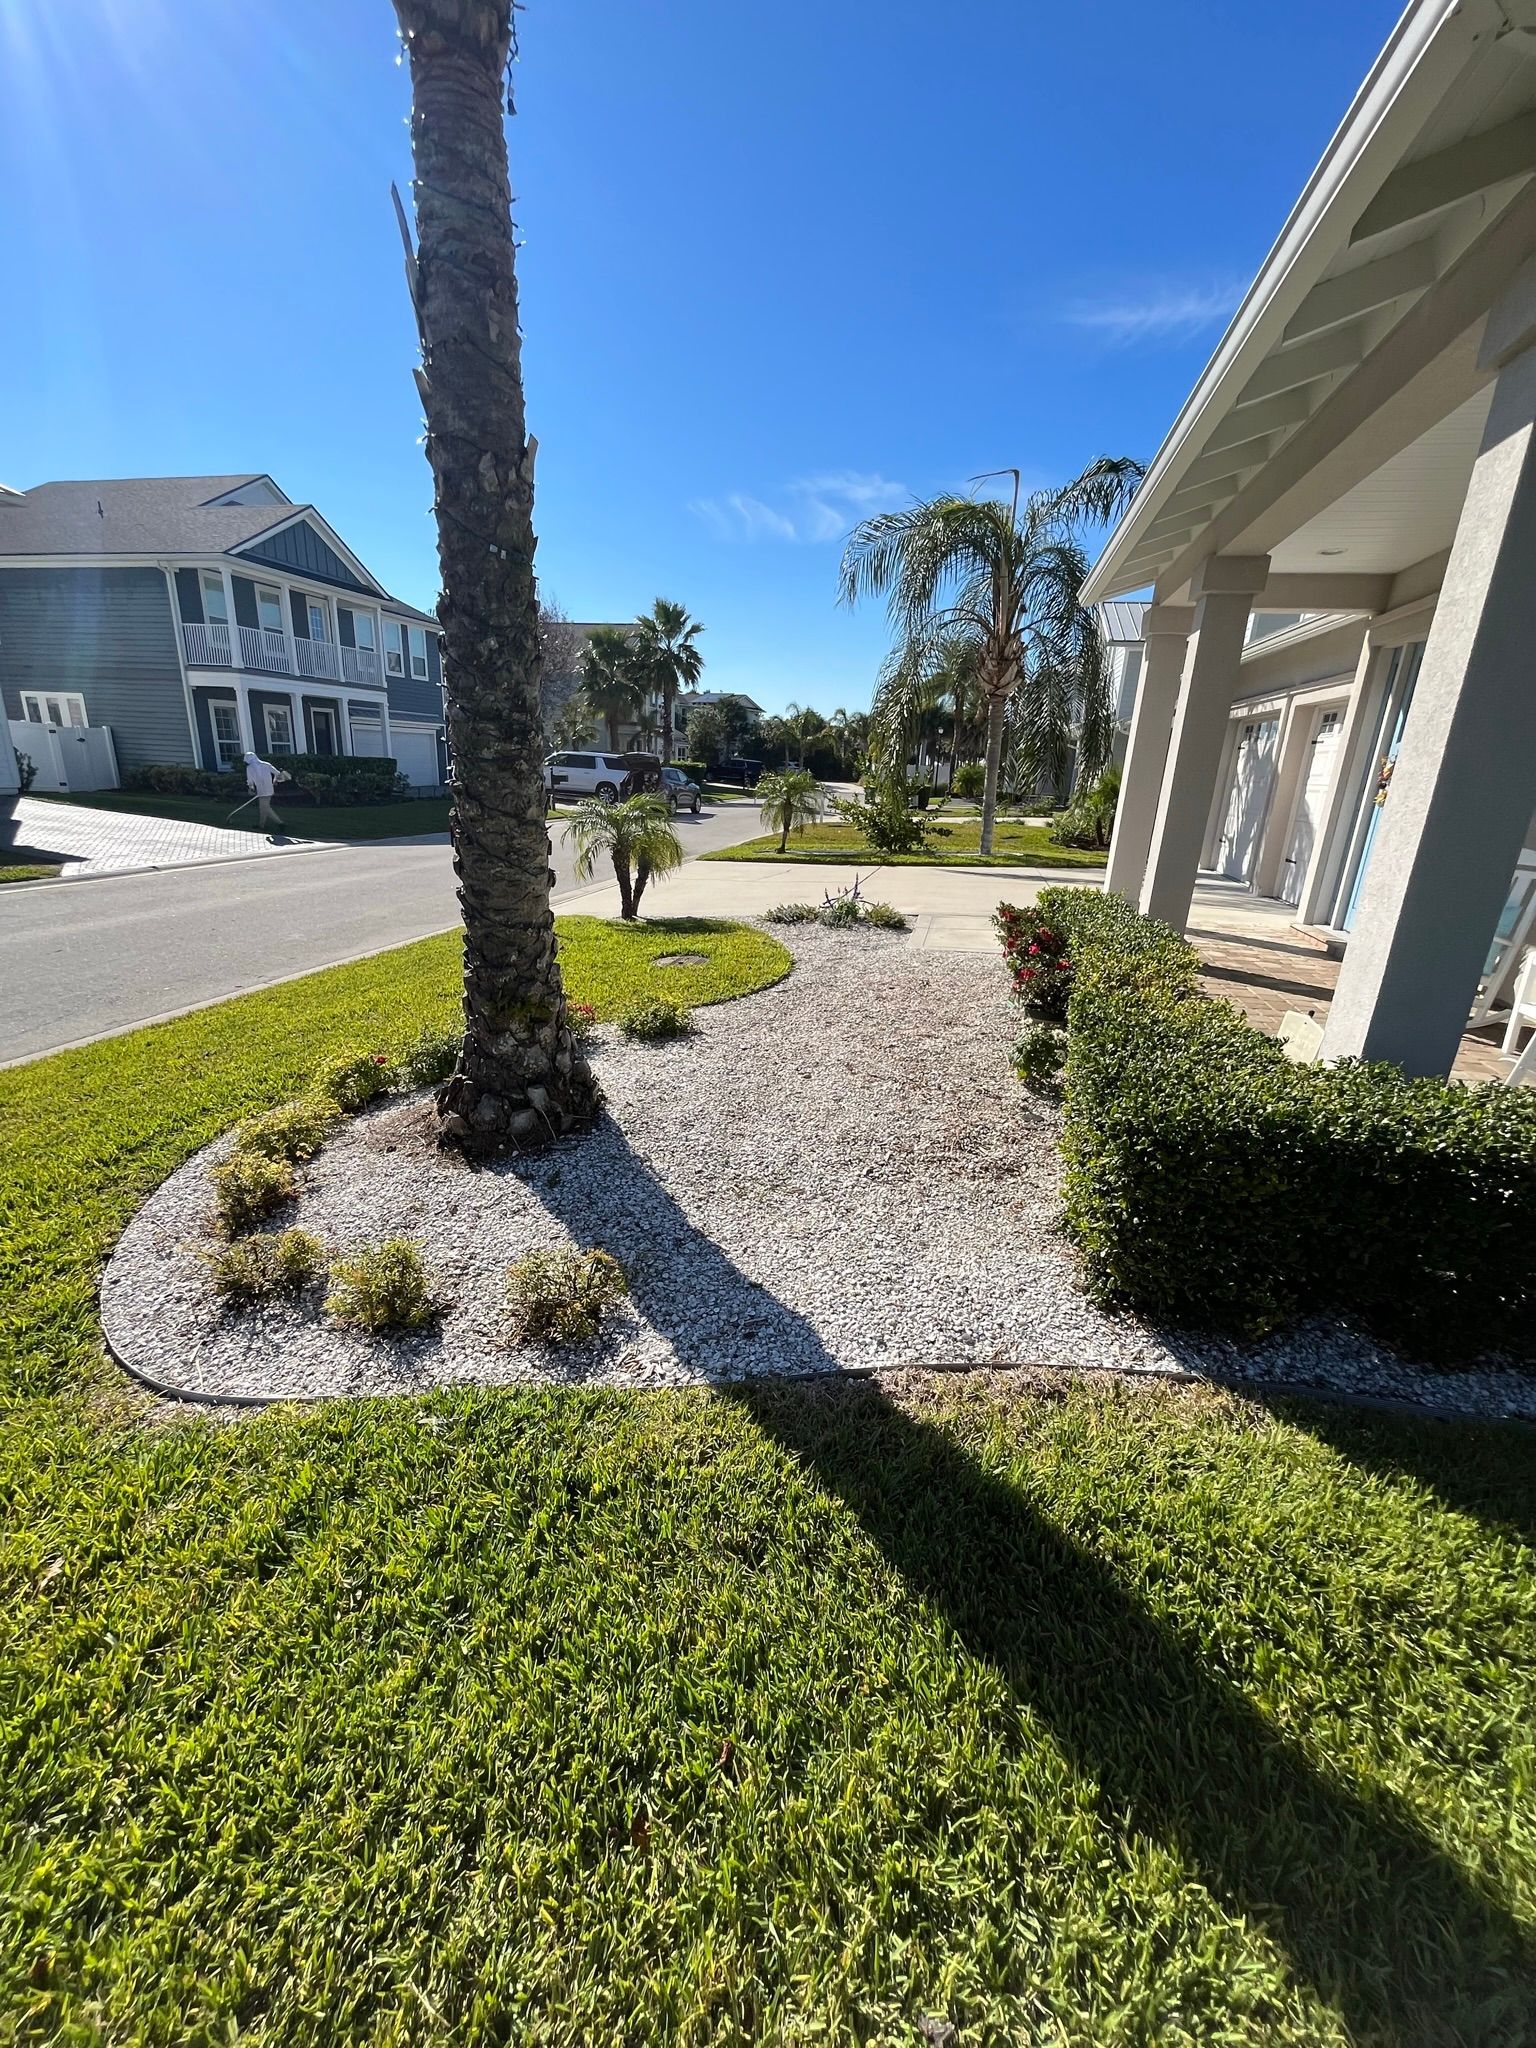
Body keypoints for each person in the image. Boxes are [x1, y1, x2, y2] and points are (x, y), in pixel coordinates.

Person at [242, 750, 286, 836]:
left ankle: (280, 823)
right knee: (263, 808)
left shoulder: (250, 768)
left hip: (262, 790)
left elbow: (250, 780)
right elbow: (277, 773)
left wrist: (251, 788)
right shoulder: (266, 764)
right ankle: (261, 825)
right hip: (268, 789)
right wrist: (274, 780)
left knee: (265, 808)